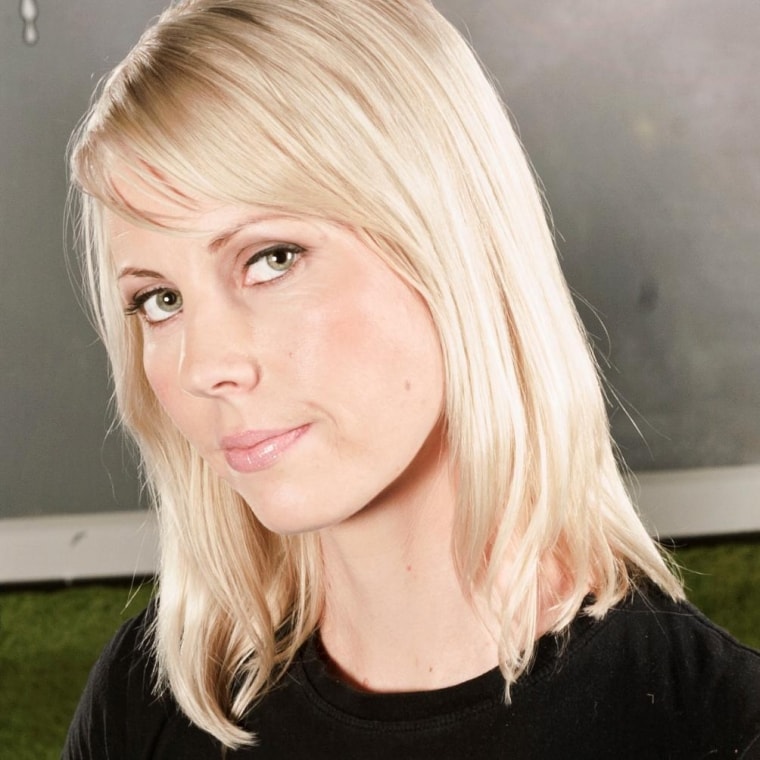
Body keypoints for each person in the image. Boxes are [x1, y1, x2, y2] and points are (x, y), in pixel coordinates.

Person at [62, 1, 760, 757]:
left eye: (272, 259)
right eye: (159, 301)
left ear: (446, 240)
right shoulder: (148, 704)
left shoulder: (717, 727)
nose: (205, 367)